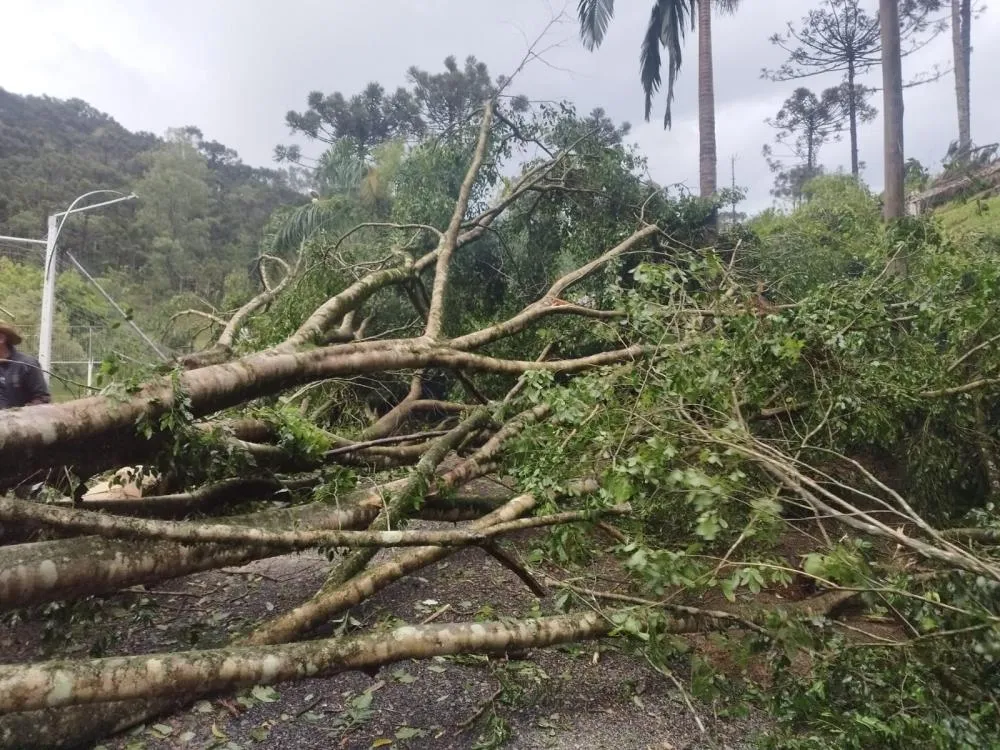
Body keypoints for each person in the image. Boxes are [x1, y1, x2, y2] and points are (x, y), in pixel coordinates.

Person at [0, 321, 51, 409]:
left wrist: (19, 414)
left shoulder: (26, 364)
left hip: (17, 421)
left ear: (1, 338)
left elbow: (42, 399)